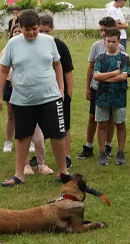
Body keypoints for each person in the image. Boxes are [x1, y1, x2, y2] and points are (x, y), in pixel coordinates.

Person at [0, 10, 68, 187]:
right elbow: (3, 70)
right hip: (22, 99)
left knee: (57, 135)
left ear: (39, 27)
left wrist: (61, 88)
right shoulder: (13, 44)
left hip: (50, 97)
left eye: (35, 29)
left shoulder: (49, 41)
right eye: (27, 30)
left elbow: (57, 64)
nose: (31, 33)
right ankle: (19, 174)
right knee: (23, 136)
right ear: (20, 27)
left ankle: (63, 172)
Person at [77, 17, 126, 160]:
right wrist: (87, 88)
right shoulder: (96, 46)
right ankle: (89, 145)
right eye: (101, 30)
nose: (103, 33)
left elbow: (123, 70)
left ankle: (108, 145)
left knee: (110, 118)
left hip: (113, 89)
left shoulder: (120, 48)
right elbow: (91, 68)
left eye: (106, 30)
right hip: (97, 88)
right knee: (93, 116)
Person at [38, 14, 75, 168]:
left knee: (63, 125)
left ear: (52, 29)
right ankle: (40, 157)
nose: (44, 34)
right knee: (41, 127)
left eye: (47, 31)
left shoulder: (60, 46)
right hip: (40, 92)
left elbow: (68, 71)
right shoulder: (34, 44)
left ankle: (66, 156)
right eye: (41, 31)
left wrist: (68, 93)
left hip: (59, 92)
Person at [93, 28, 130, 166]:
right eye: (108, 41)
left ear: (118, 41)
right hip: (102, 97)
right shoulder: (100, 58)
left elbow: (124, 76)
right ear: (104, 41)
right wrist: (114, 73)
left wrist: (105, 78)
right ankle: (102, 152)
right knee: (102, 124)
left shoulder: (124, 57)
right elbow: (96, 76)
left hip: (119, 97)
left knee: (120, 124)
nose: (110, 44)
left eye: (113, 42)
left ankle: (121, 152)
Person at [1, 25, 23, 153]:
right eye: (15, 31)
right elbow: (4, 69)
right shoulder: (7, 49)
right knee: (11, 115)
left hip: (24, 85)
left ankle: (30, 140)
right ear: (11, 34)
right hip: (10, 84)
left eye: (20, 31)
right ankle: (8, 141)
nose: (18, 33)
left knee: (27, 115)